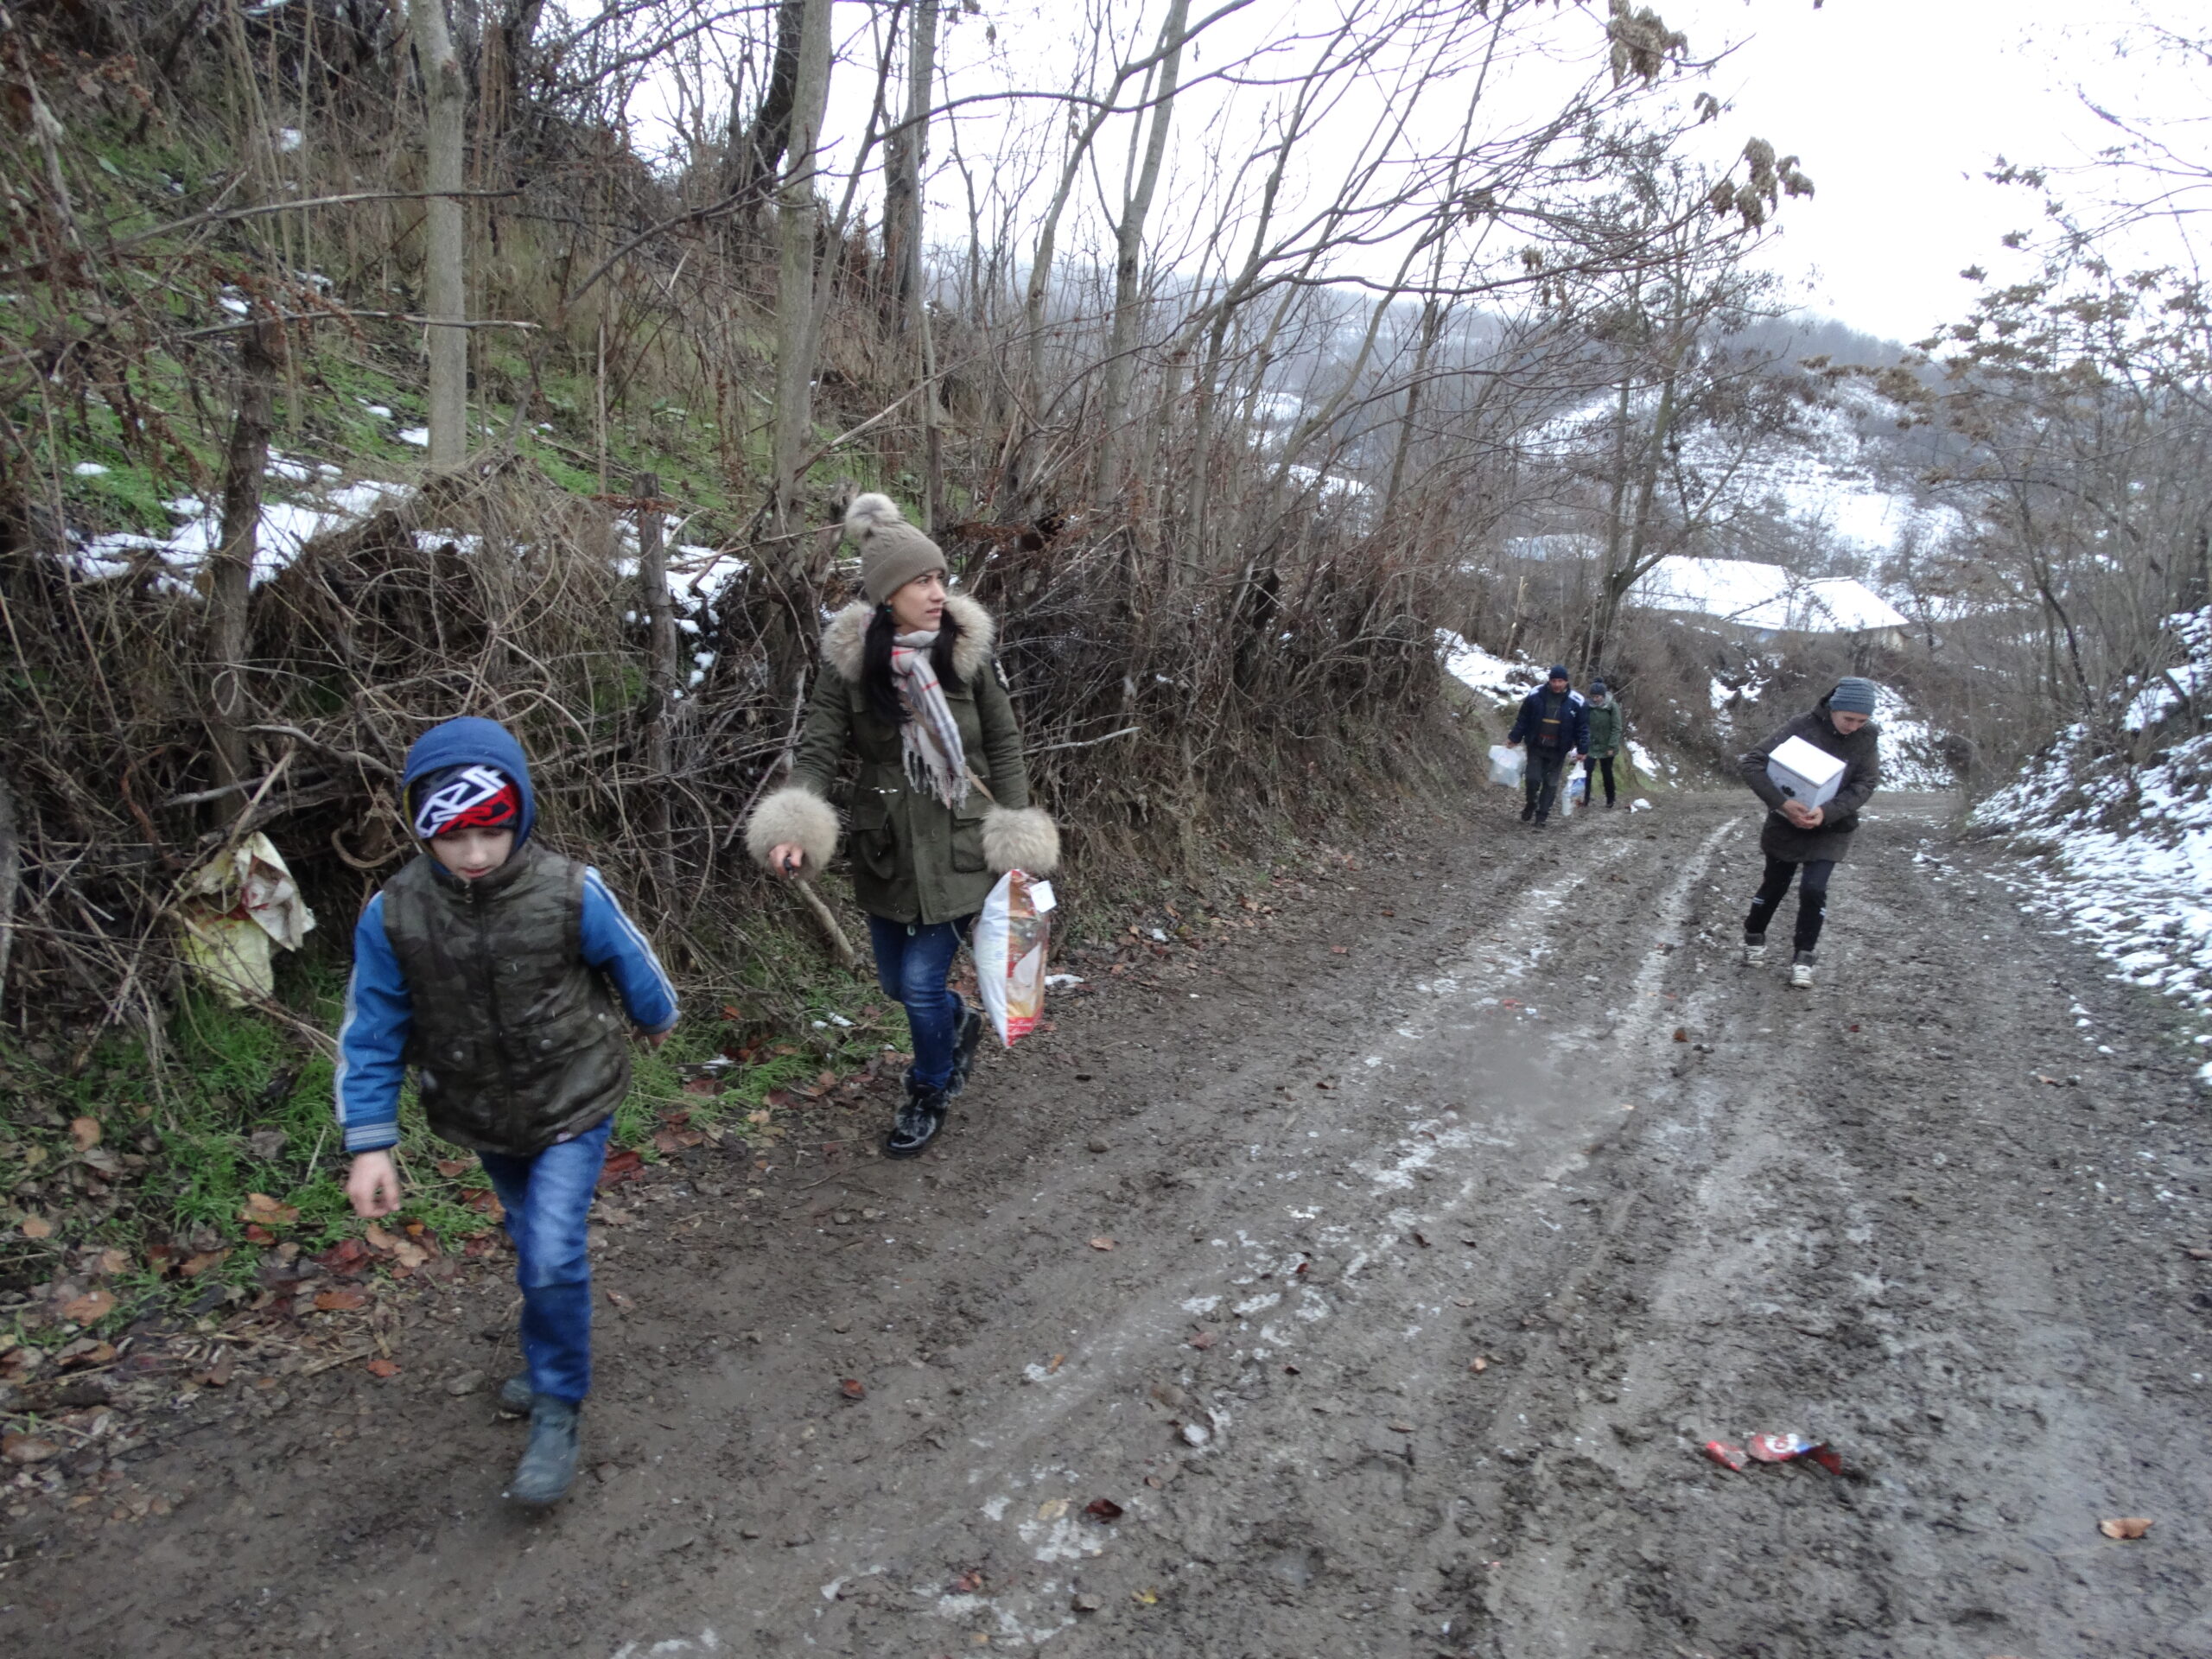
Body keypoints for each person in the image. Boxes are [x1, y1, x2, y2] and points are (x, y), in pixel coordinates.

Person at [335, 717, 678, 1506]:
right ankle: (550, 1354)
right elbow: (372, 1028)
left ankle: (558, 1406)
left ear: (518, 816)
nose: (475, 853)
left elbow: (629, 955)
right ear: (424, 830)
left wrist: (656, 1013)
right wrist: (370, 1142)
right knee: (531, 1240)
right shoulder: (394, 914)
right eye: (453, 837)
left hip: (573, 1096)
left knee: (551, 1249)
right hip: (481, 1109)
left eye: (490, 832)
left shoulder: (568, 889)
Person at [747, 493, 1059, 1160]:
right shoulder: (851, 665)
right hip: (885, 845)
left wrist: (1015, 831)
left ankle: (930, 1088)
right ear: (888, 595)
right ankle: (957, 1024)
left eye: (940, 577)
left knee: (919, 984)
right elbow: (819, 749)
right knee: (897, 985)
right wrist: (793, 826)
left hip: (961, 842)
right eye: (922, 581)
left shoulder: (967, 655)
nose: (938, 592)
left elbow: (1004, 745)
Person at [1737, 677, 1883, 988]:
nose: (1854, 726)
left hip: (1833, 826)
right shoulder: (1801, 726)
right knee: (1775, 885)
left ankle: (1804, 958)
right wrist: (1782, 804)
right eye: (1849, 719)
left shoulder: (1867, 738)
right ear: (1833, 708)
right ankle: (1754, 937)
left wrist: (1827, 812)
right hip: (1786, 823)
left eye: (1862, 721)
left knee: (1814, 890)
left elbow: (1866, 783)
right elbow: (1753, 763)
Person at [1505, 664, 1589, 827]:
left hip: (1559, 749)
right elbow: (1523, 718)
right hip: (1536, 745)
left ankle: (1542, 815)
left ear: (1566, 682)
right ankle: (1531, 803)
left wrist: (1582, 748)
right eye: (1554, 681)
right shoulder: (1535, 695)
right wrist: (1514, 737)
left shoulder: (1577, 701)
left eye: (1560, 681)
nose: (1557, 684)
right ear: (1549, 681)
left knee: (1551, 783)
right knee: (1532, 778)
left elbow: (1582, 727)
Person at [1583, 679, 1624, 809]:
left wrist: (1612, 745)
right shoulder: (1587, 706)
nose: (1595, 699)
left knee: (1606, 772)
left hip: (1607, 745)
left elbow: (1617, 727)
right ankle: (1585, 798)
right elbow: (1583, 724)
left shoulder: (1612, 707)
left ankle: (1610, 798)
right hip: (1591, 744)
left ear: (1603, 695)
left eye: (1598, 697)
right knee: (1586, 771)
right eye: (1593, 696)